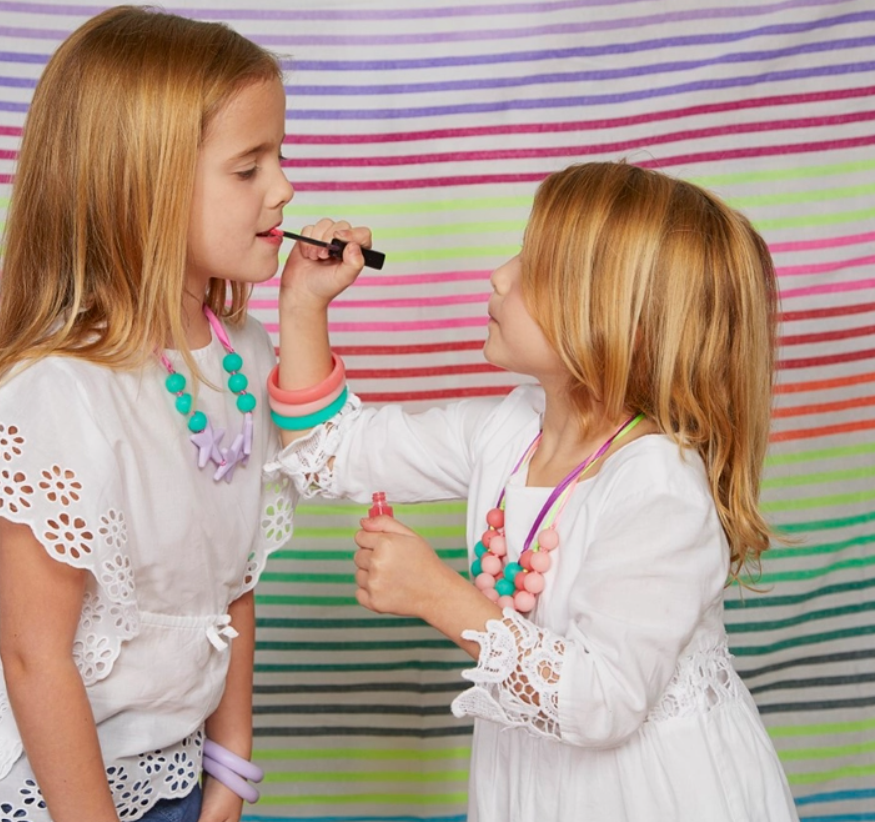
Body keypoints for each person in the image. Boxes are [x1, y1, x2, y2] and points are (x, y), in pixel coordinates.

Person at [0, 7, 368, 822]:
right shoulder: (62, 391)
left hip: (165, 763)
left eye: (281, 156)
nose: (285, 188)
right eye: (248, 167)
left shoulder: (245, 355)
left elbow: (233, 585)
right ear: (141, 188)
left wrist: (229, 767)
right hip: (37, 783)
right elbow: (32, 654)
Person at [267, 162, 799, 821]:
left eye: (535, 267)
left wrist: (437, 595)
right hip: (539, 787)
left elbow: (602, 699)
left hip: (656, 797)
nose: (499, 276)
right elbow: (330, 452)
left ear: (616, 322)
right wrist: (302, 303)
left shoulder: (657, 489)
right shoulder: (510, 430)